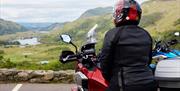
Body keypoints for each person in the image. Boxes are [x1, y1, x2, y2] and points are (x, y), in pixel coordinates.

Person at [99, 0, 157, 91]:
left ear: (119, 14)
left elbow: (105, 62)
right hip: (149, 83)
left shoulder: (113, 34)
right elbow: (148, 60)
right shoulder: (146, 34)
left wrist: (112, 79)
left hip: (124, 84)